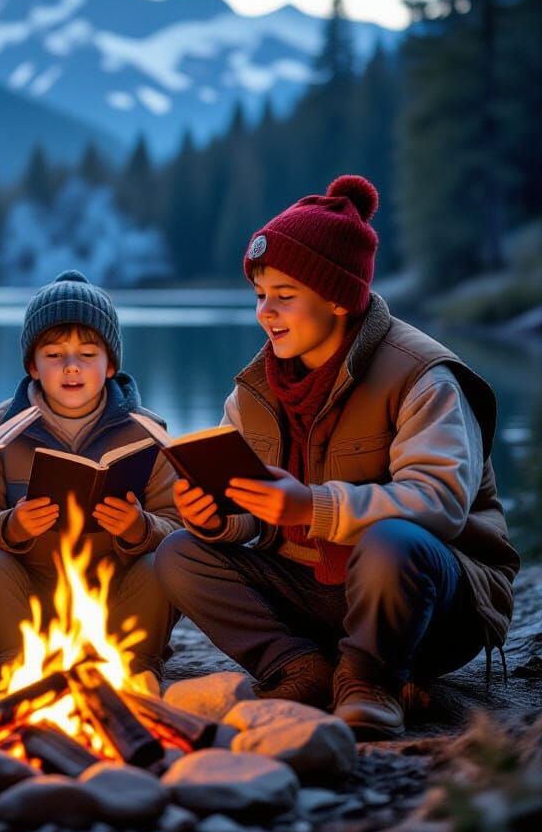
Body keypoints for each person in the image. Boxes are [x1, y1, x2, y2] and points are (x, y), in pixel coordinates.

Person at [155, 175, 519, 739]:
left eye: (284, 296)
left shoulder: (423, 375)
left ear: (337, 298)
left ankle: (371, 680)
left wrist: (310, 506)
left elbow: (440, 503)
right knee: (180, 552)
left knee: (391, 539)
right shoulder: (255, 390)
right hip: (316, 594)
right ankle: (302, 669)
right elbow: (255, 511)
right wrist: (221, 518)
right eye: (259, 296)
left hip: (430, 605)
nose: (264, 313)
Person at [0, 270, 180, 686]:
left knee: (163, 561)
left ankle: (137, 668)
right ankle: (9, 666)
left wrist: (140, 528)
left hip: (118, 604)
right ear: (32, 365)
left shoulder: (147, 431)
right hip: (28, 604)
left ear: (111, 363)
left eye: (87, 353)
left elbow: (180, 527)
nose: (71, 367)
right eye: (54, 354)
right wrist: (11, 526)